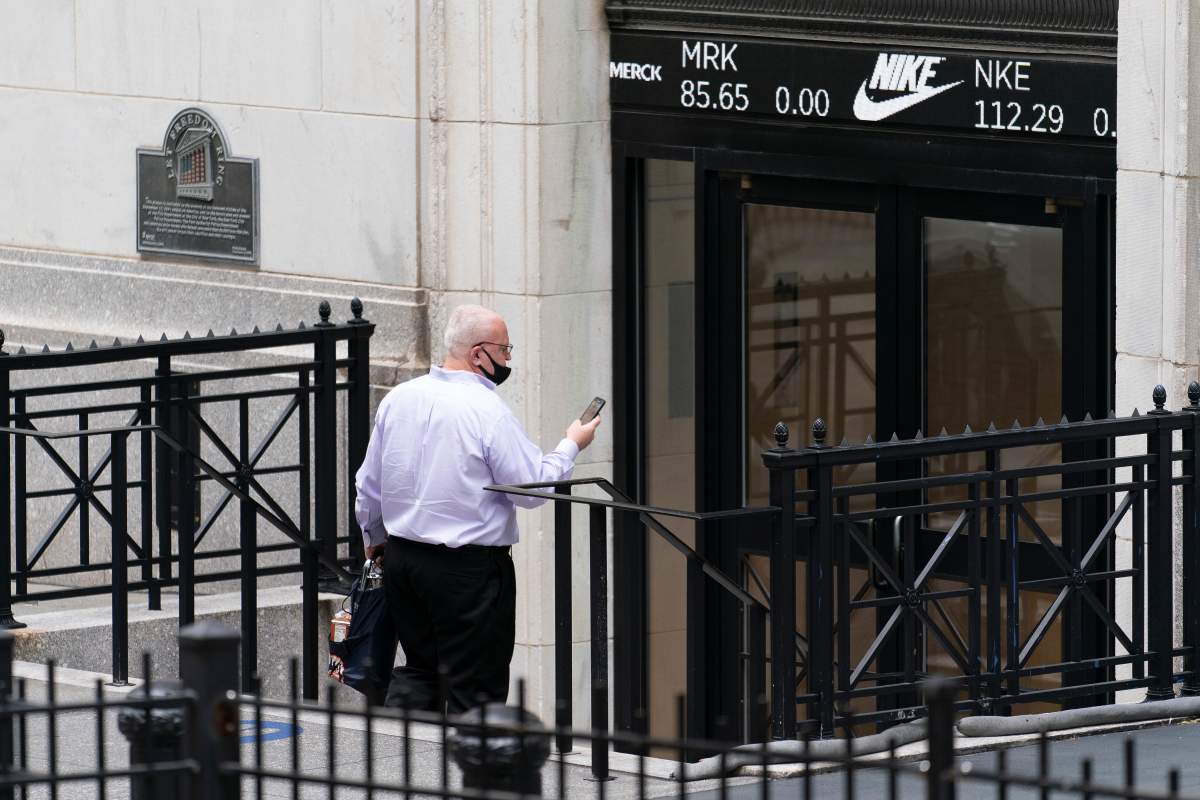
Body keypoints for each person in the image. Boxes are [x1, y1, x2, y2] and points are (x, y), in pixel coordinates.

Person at [353, 304, 601, 714]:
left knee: (420, 670)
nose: (507, 361)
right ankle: (477, 770)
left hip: (403, 560)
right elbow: (531, 490)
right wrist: (571, 443)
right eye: (505, 351)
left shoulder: (399, 400)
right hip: (467, 571)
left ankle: (401, 767)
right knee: (477, 686)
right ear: (478, 353)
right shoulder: (487, 411)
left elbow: (368, 485)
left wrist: (374, 540)